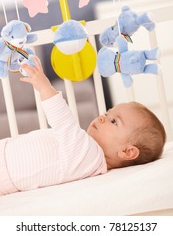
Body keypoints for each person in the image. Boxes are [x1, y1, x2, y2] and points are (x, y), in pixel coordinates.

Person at [0, 58, 166, 196]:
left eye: (114, 121)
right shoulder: (88, 153)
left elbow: (63, 121)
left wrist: (44, 86)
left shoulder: (89, 155)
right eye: (107, 114)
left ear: (127, 151)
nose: (102, 117)